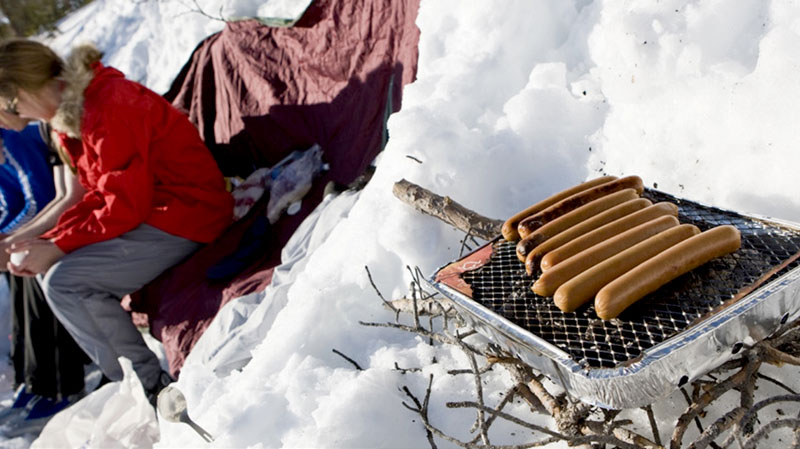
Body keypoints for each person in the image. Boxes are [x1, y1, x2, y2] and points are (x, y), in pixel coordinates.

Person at [0, 39, 234, 403]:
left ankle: (147, 385)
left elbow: (124, 203)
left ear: (26, 86)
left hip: (187, 212)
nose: (18, 118)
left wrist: (58, 245)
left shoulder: (108, 103)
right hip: (158, 211)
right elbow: (100, 193)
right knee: (54, 273)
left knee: (67, 283)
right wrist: (50, 241)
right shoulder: (74, 114)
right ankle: (131, 379)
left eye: (11, 107)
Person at [0, 109, 93, 434]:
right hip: (51, 221)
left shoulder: (13, 138)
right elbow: (12, 202)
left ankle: (58, 383)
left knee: (30, 265)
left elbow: (40, 199)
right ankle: (32, 375)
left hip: (73, 222)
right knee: (13, 267)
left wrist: (8, 240)